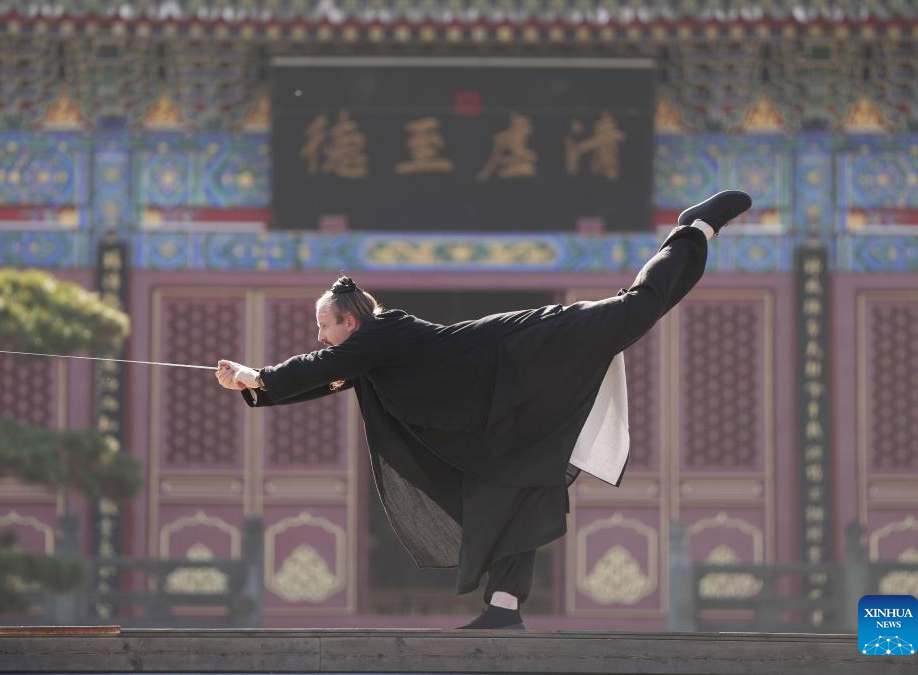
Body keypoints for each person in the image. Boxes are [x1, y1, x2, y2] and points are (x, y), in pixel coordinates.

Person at [216, 190, 752, 629]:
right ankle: (504, 608)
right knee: (512, 489)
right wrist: (253, 387)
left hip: (534, 347)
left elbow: (316, 367)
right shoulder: (370, 354)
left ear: (348, 323)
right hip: (508, 405)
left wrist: (260, 376)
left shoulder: (386, 330)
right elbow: (325, 377)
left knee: (636, 307)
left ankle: (693, 229)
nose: (320, 336)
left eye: (324, 326)